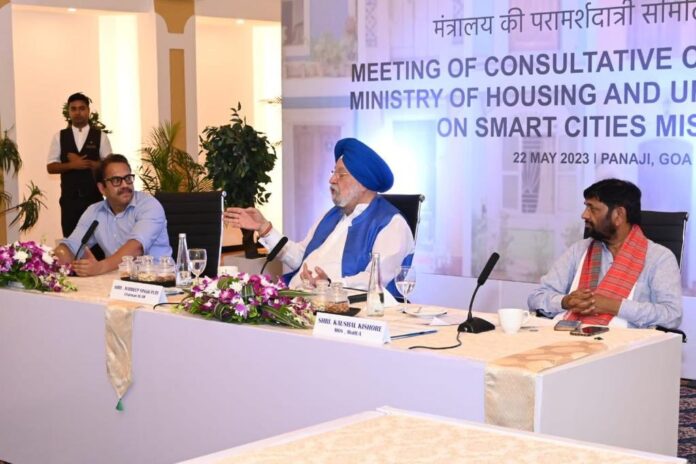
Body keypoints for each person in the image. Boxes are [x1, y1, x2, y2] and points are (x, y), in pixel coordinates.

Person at [223, 137, 415, 296]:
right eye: (333, 172)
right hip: (298, 302)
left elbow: (375, 282)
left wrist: (329, 285)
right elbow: (300, 258)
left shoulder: (391, 224)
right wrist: (264, 228)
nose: (332, 179)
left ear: (363, 183)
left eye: (341, 174)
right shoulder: (331, 216)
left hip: (347, 317)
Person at [528, 178, 682, 329]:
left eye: (592, 208)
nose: (584, 215)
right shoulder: (579, 250)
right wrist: (565, 302)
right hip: (568, 336)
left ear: (618, 215)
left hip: (627, 342)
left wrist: (613, 306)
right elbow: (537, 297)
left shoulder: (659, 258)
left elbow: (672, 315)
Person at [54, 154, 172, 277]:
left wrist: (100, 267)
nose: (125, 185)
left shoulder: (148, 205)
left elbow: (136, 248)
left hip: (158, 280)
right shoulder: (94, 211)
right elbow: (72, 246)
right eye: (116, 180)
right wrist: (48, 261)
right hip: (116, 281)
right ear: (102, 188)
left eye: (128, 178)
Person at [47, 92, 113, 237]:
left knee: (97, 240)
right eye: (74, 109)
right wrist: (72, 165)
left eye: (82, 108)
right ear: (69, 112)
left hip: (94, 199)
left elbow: (110, 166)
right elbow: (50, 167)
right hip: (69, 201)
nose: (77, 112)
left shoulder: (100, 136)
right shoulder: (59, 136)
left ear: (88, 111)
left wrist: (88, 164)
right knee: (71, 241)